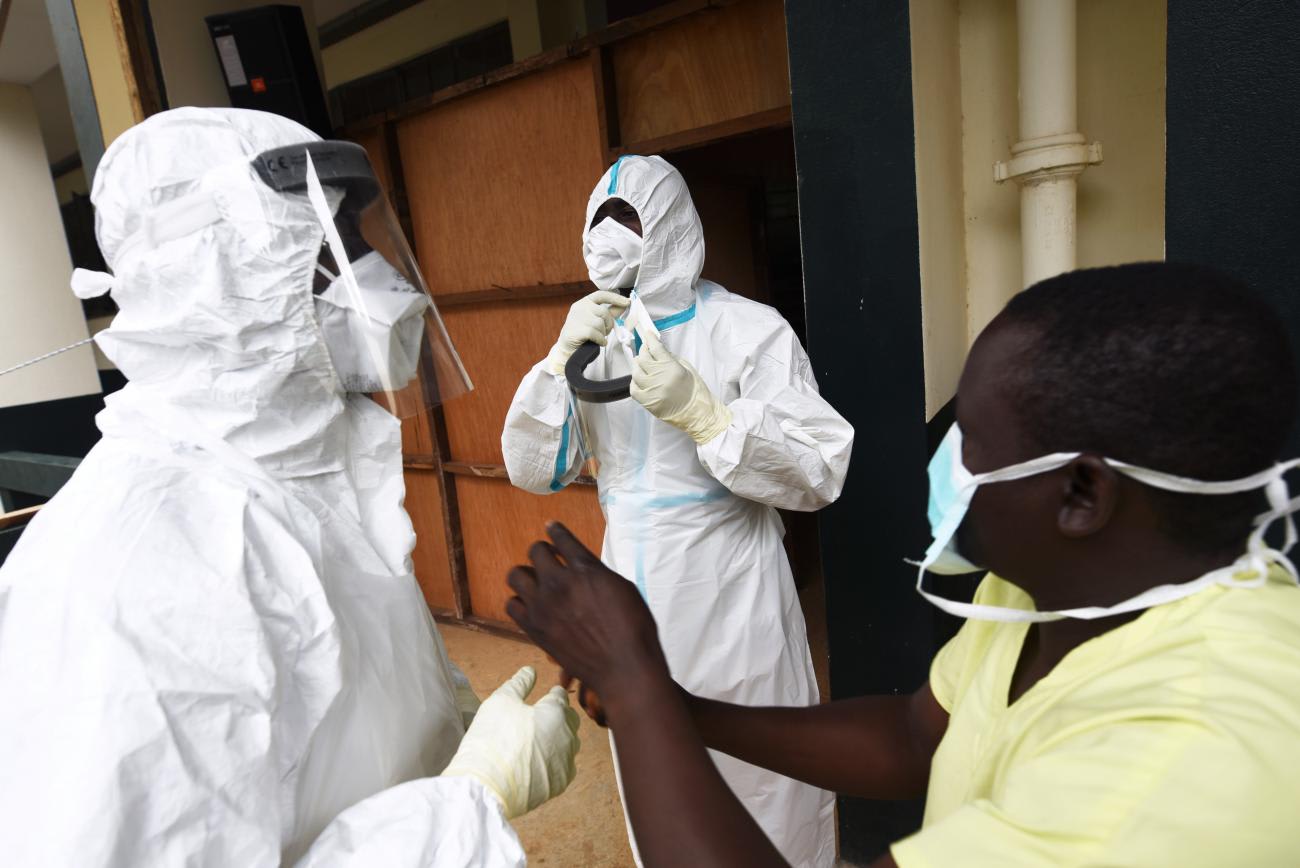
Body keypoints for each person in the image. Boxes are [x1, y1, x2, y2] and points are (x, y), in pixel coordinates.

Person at [505, 262, 1300, 866]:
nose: (942, 462)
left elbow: (808, 463)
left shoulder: (1179, 761)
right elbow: (919, 739)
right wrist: (679, 707)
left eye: (973, 444)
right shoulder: (1052, 596)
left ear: (1081, 492)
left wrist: (635, 682)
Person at [0, 107, 579, 866]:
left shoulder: (285, 479)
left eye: (358, 239)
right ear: (220, 277)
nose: (376, 280)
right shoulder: (130, 584)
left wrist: (437, 718)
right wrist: (468, 803)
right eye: (327, 254)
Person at [502, 155, 853, 866]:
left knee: (765, 769)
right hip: (632, 584)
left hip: (732, 587)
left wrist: (707, 415)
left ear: (667, 227)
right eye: (599, 223)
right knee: (655, 769)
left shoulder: (749, 330)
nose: (610, 238)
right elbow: (534, 469)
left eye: (628, 220)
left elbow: (820, 471)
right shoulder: (594, 341)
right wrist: (556, 363)